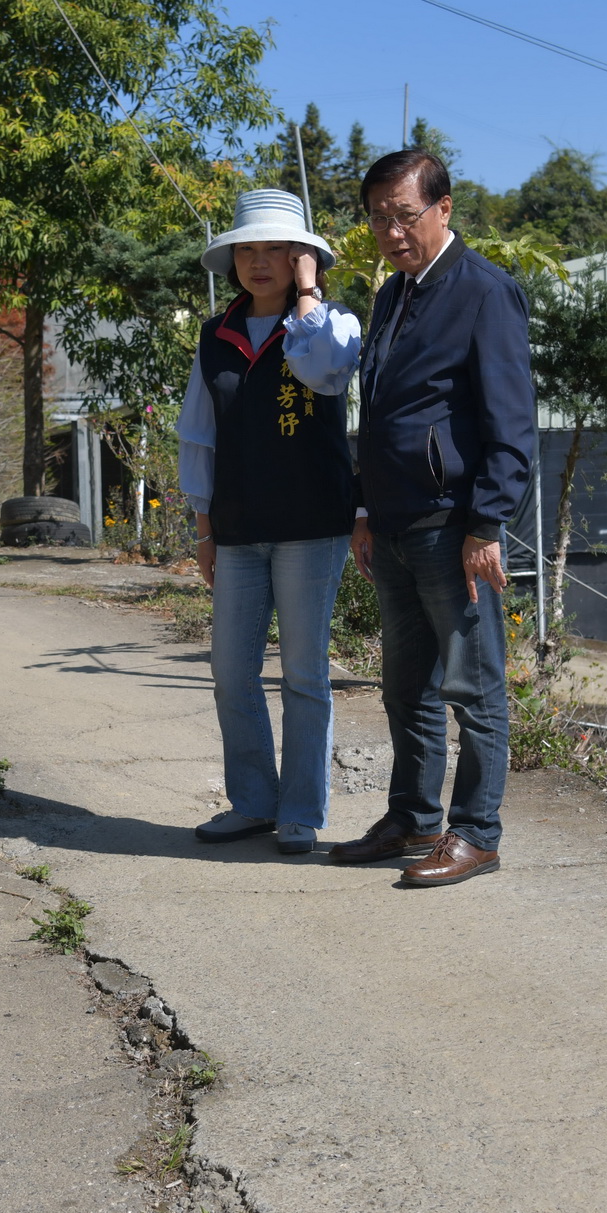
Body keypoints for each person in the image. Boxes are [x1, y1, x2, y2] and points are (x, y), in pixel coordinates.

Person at [329, 149, 537, 888]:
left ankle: (476, 832)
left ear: (444, 209)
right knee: (404, 683)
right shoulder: (394, 295)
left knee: (474, 686)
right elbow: (377, 410)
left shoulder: (485, 292)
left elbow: (512, 424)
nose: (391, 232)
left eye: (405, 216)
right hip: (391, 524)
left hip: (454, 526)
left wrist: (487, 524)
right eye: (379, 217)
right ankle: (413, 818)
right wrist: (362, 506)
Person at [179, 190, 366, 855]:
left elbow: (328, 370)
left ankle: (301, 811)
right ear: (232, 261)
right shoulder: (215, 336)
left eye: (278, 251)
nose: (259, 263)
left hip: (312, 526)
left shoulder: (330, 325)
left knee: (305, 675)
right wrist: (202, 528)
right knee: (232, 671)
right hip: (236, 526)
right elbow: (199, 436)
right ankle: (253, 802)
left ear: (302, 259)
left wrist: (310, 296)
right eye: (247, 250)